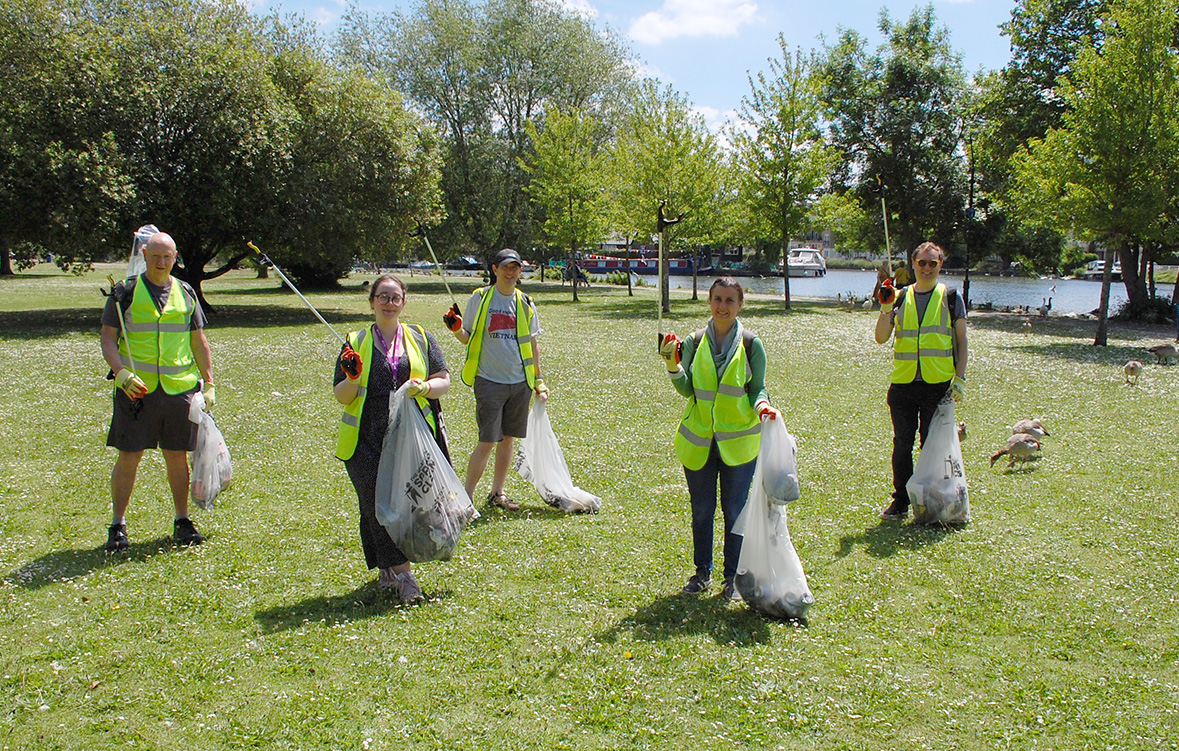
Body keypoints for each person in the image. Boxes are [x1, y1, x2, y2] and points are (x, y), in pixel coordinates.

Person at [659, 277, 781, 600]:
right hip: (699, 441)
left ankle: (732, 577)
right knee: (701, 510)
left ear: (740, 305)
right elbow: (687, 388)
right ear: (709, 302)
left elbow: (758, 389)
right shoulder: (695, 341)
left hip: (739, 445)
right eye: (717, 299)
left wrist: (763, 405)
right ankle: (702, 573)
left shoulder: (752, 345)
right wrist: (672, 365)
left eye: (730, 300)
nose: (722, 306)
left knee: (734, 510)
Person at [334, 274, 450, 603]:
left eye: (395, 297)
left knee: (408, 506)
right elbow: (342, 395)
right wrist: (353, 378)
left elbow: (443, 379)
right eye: (382, 297)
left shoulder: (420, 337)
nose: (389, 303)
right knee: (375, 506)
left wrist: (424, 387)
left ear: (403, 302)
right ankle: (405, 576)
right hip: (365, 441)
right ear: (371, 301)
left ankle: (389, 568)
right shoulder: (354, 341)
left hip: (410, 440)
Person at [100, 231, 215, 551]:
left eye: (168, 257)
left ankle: (182, 521)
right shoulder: (124, 292)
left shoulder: (186, 292)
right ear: (145, 254)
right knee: (129, 457)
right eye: (156, 256)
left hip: (179, 390)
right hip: (136, 392)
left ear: (175, 258)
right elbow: (108, 338)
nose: (162, 262)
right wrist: (121, 373)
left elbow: (199, 341)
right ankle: (117, 525)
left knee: (177, 457)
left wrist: (210, 383)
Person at [443, 248, 548, 511]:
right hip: (489, 380)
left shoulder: (525, 302)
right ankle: (465, 497)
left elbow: (532, 344)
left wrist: (538, 381)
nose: (510, 272)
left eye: (515, 267)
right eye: (505, 267)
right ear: (495, 269)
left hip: (519, 382)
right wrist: (456, 328)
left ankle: (497, 493)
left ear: (520, 271)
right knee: (488, 440)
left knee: (509, 439)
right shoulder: (480, 299)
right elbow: (467, 337)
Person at [873, 241, 969, 521]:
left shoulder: (951, 297)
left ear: (940, 265)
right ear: (913, 264)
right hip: (903, 384)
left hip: (937, 384)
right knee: (902, 444)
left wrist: (960, 378)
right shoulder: (899, 296)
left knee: (932, 445)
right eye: (922, 262)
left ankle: (933, 499)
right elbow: (880, 337)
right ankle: (901, 500)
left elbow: (961, 341)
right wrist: (885, 307)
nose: (927, 267)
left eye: (933, 263)